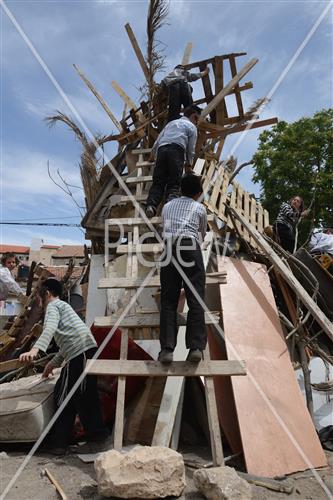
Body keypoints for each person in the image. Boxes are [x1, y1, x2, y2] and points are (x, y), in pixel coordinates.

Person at [19, 278, 109, 455]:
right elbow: (68, 341)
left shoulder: (53, 306)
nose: (38, 302)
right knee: (65, 394)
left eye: (38, 297)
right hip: (81, 351)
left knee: (81, 397)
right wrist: (53, 363)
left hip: (81, 353)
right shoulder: (63, 307)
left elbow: (50, 328)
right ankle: (61, 443)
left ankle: (95, 439)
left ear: (46, 294)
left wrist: (35, 349)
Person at [158, 173, 207, 364]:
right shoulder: (200, 208)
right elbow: (201, 234)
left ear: (180, 190)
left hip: (169, 249)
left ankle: (167, 350)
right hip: (190, 247)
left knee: (168, 301)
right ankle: (195, 348)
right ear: (198, 193)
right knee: (195, 298)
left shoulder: (168, 206)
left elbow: (164, 229)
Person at [145, 105, 202, 218]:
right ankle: (170, 209)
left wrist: (152, 154)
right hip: (177, 150)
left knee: (158, 181)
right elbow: (191, 148)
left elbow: (158, 139)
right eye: (198, 119)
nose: (197, 122)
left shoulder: (171, 123)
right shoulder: (191, 127)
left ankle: (151, 206)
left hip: (162, 149)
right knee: (174, 183)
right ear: (194, 116)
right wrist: (189, 165)